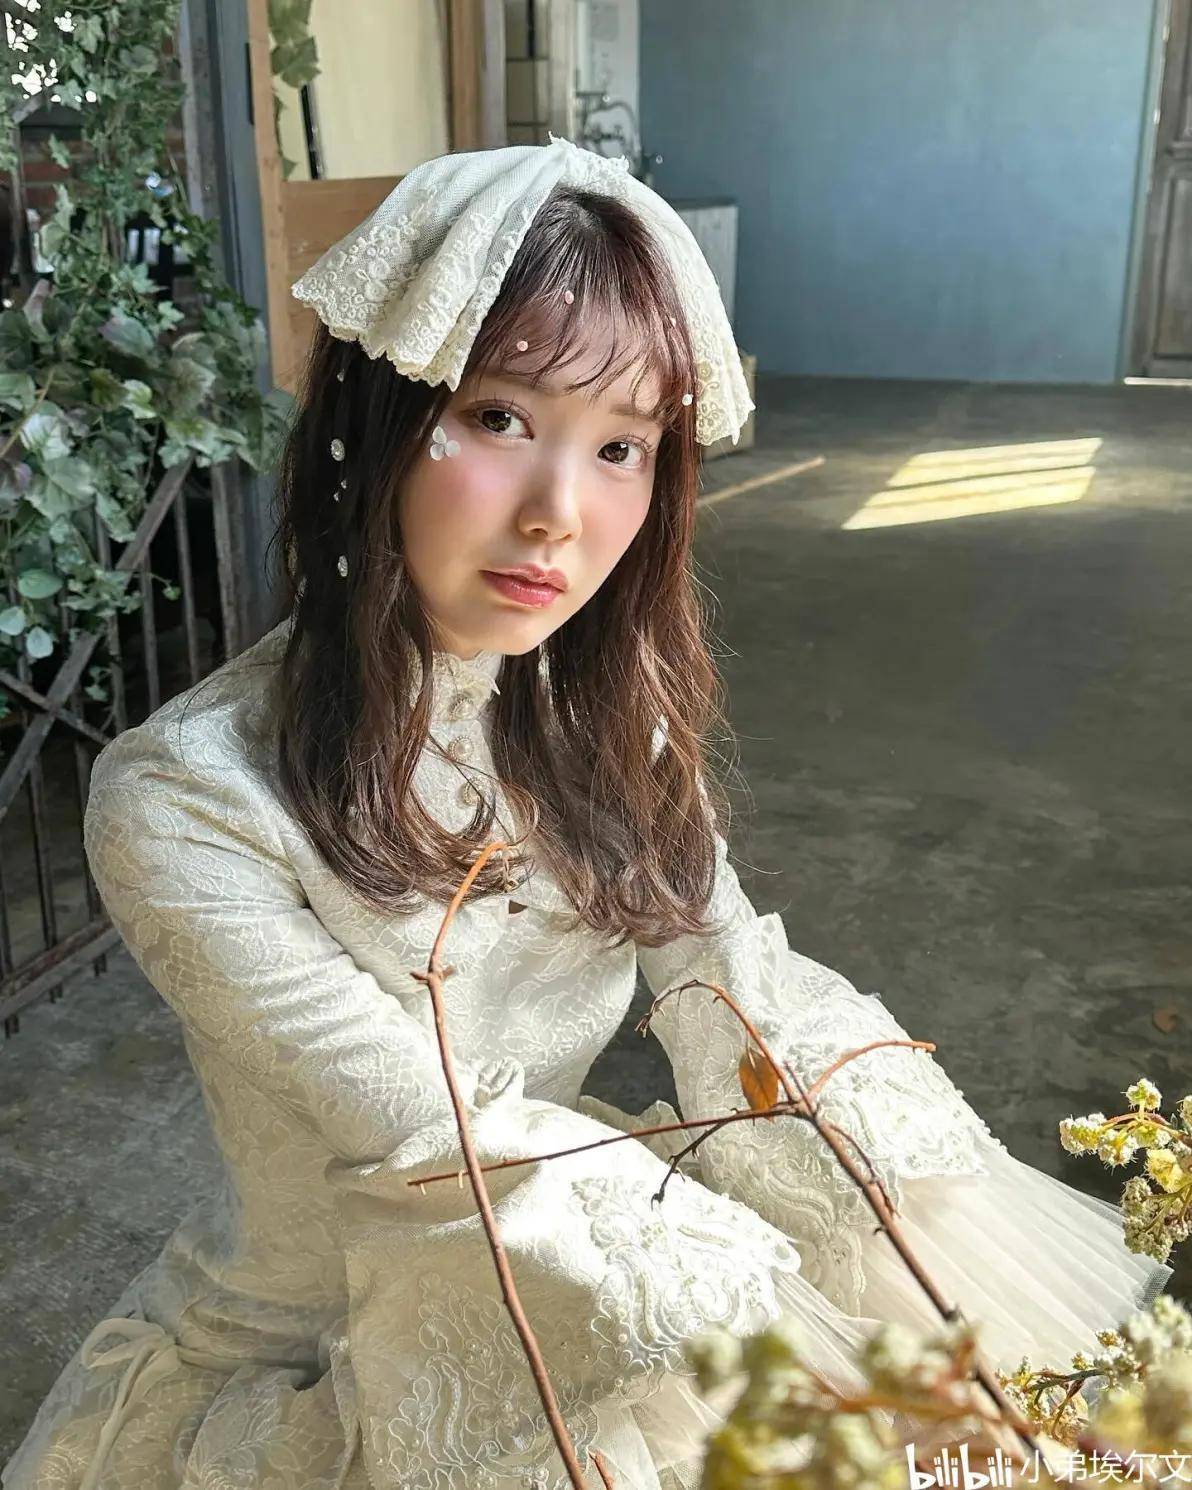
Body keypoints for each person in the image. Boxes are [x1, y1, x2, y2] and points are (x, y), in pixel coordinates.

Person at [3, 135, 1171, 1490]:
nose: (561, 513)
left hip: (574, 1266)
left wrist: (892, 1226)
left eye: (622, 445)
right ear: (373, 422)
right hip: (325, 1365)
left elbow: (735, 1000)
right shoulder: (187, 796)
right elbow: (442, 1142)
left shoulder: (603, 721)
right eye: (502, 419)